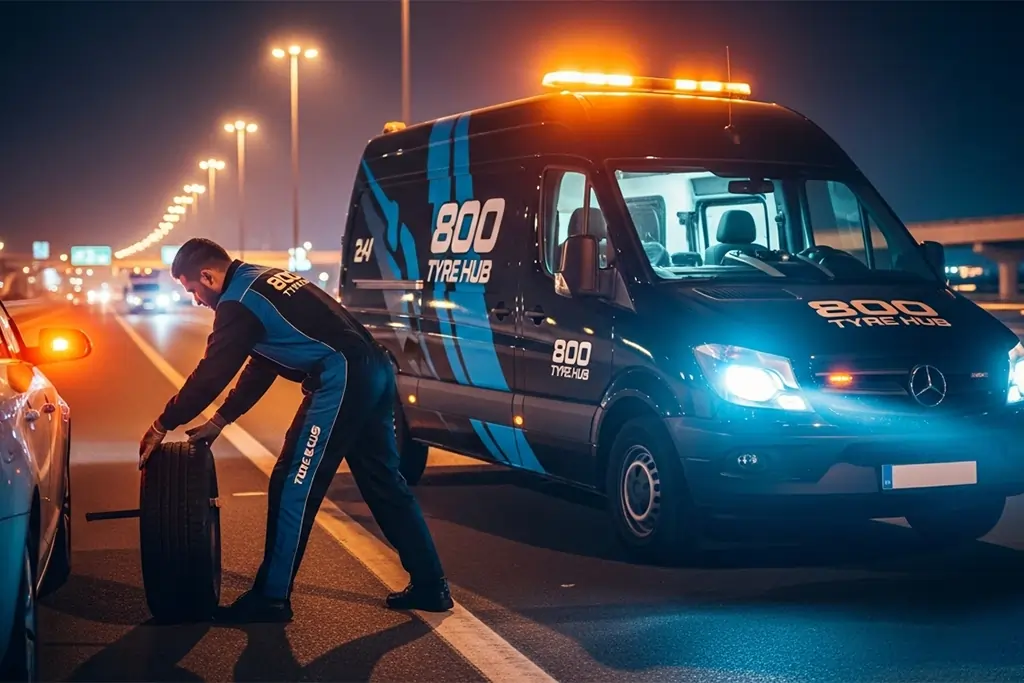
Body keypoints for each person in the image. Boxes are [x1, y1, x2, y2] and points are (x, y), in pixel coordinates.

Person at [138, 238, 452, 623]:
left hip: (343, 376)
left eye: (193, 290)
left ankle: (271, 598)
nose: (196, 300)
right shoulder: (259, 280)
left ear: (207, 275)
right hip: (376, 368)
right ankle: (431, 586)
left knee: (292, 483)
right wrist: (220, 422)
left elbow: (211, 374)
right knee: (385, 482)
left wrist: (162, 424)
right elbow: (260, 366)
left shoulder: (236, 303)